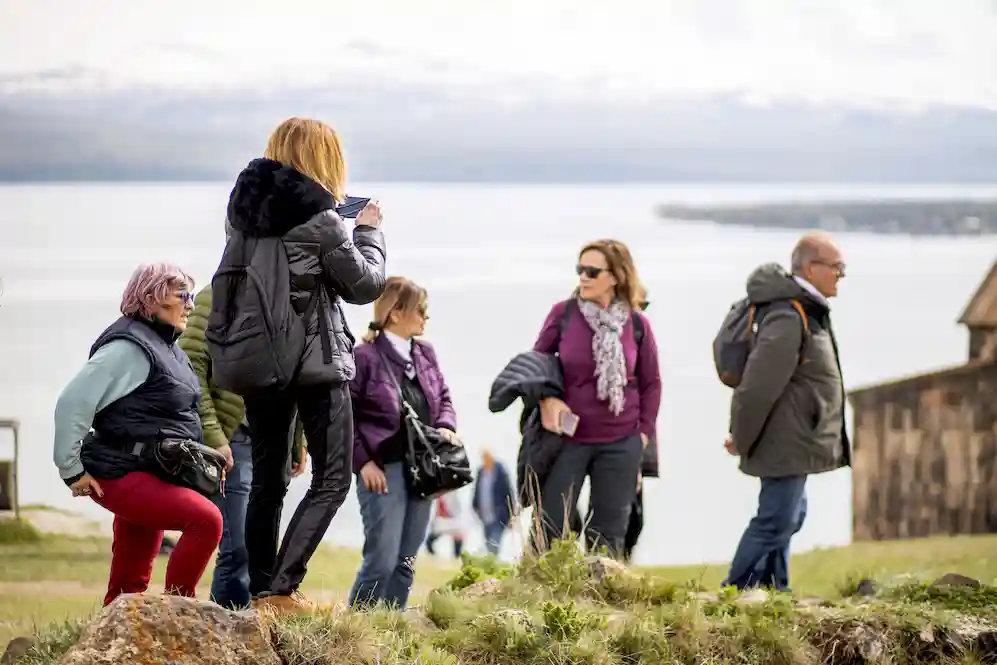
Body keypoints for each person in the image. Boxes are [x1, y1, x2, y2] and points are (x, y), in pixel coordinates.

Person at [226, 117, 387, 614]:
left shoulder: (243, 216)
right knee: (332, 479)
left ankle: (260, 590)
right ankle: (281, 590)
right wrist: (369, 232)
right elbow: (365, 286)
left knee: (269, 483)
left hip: (262, 362)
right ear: (326, 159)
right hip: (316, 362)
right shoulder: (325, 221)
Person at [52, 263, 223, 606]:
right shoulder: (128, 347)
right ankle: (179, 616)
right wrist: (71, 469)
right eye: (183, 296)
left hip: (146, 470)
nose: (191, 304)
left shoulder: (165, 345)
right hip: (120, 472)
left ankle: (114, 643)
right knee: (206, 521)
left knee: (129, 585)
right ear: (152, 298)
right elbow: (73, 402)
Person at [722, 232, 850, 591]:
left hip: (795, 438)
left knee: (790, 515)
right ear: (811, 268)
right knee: (775, 519)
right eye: (837, 267)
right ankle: (735, 591)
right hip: (784, 439)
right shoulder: (788, 316)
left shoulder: (805, 310)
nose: (841, 275)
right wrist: (741, 437)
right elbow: (757, 388)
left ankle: (776, 590)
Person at [178, 282, 309, 609]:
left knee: (258, 546)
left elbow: (297, 373)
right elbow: (191, 366)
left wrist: (297, 440)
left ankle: (241, 631)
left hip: (270, 438)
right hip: (231, 437)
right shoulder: (213, 297)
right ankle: (228, 633)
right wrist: (214, 435)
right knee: (238, 547)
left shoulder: (283, 297)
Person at [532, 239, 662, 558]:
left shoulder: (636, 323)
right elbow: (535, 366)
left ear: (615, 276)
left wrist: (642, 434)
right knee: (551, 528)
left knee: (608, 537)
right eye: (580, 270)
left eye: (592, 271)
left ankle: (600, 603)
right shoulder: (563, 314)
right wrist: (547, 399)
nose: (583, 277)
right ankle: (545, 599)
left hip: (621, 443)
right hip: (568, 440)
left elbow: (651, 383)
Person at [348, 276, 457, 609]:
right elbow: (344, 418)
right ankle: (356, 632)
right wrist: (363, 462)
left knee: (406, 559)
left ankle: (391, 630)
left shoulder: (426, 352)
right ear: (395, 314)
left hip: (423, 467)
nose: (426, 316)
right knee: (381, 559)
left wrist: (446, 426)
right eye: (420, 309)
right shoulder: (363, 357)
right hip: (384, 469)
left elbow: (443, 397)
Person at [471, 449, 516, 556]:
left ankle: (491, 567)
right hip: (485, 516)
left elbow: (509, 493)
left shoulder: (500, 472)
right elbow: (476, 492)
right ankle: (490, 567)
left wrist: (512, 515)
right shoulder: (481, 472)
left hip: (500, 516)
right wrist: (475, 507)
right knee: (488, 543)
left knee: (494, 545)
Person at [425, 492, 466, 559]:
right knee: (432, 538)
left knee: (458, 535)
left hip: (452, 518)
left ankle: (457, 556)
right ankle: (431, 554)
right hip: (442, 519)